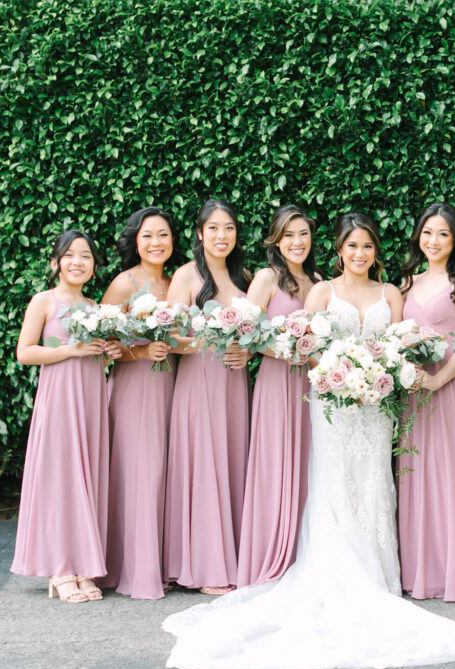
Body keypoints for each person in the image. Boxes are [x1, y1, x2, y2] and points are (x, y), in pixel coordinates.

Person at [162, 212, 455, 669]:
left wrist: (378, 371)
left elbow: (399, 343)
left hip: (374, 403)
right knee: (332, 484)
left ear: (376, 251)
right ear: (339, 250)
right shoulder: (322, 290)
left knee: (374, 485)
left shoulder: (391, 295)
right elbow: (305, 341)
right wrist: (339, 366)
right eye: (351, 246)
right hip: (331, 399)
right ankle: (332, 570)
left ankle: (379, 576)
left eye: (367, 246)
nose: (359, 254)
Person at [11, 230, 121, 603]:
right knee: (60, 480)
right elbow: (25, 353)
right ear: (55, 262)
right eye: (70, 255)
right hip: (59, 401)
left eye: (86, 256)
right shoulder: (44, 300)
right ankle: (60, 568)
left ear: (94, 265)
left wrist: (108, 351)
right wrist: (72, 351)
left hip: (90, 401)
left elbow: (99, 357)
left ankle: (84, 564)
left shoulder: (97, 309)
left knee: (87, 479)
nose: (78, 262)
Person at [396, 202, 455, 601]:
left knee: (449, 471)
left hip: (451, 385)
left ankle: (454, 571)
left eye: (443, 234)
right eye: (428, 233)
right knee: (415, 471)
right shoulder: (406, 282)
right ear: (418, 235)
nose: (434, 241)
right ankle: (420, 571)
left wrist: (438, 381)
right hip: (414, 388)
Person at [163, 199, 252, 595]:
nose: (222, 236)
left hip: (233, 383)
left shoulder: (245, 277)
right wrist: (203, 341)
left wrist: (247, 349)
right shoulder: (185, 275)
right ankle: (204, 566)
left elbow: (258, 331)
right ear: (199, 234)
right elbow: (165, 334)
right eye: (213, 228)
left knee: (232, 460)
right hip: (198, 381)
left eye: (229, 228)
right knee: (202, 463)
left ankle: (233, 558)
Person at [98, 207, 181, 600]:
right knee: (140, 473)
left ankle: (164, 563)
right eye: (148, 236)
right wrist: (142, 352)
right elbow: (103, 347)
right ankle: (135, 568)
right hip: (134, 388)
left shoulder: (177, 282)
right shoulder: (122, 284)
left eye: (163, 235)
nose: (156, 243)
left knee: (165, 473)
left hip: (171, 385)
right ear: (135, 240)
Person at [237, 205, 321, 587]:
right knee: (276, 461)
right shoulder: (267, 278)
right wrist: (289, 350)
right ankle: (271, 554)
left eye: (302, 234)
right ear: (276, 240)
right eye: (288, 235)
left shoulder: (320, 281)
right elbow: (246, 334)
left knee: (311, 463)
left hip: (314, 382)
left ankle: (306, 554)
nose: (297, 242)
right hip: (277, 381)